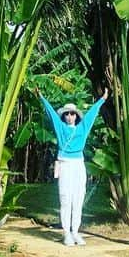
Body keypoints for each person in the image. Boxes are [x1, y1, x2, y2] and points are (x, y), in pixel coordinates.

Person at [36, 84, 108, 246]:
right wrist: (41, 97)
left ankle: (75, 231)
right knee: (65, 198)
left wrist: (102, 100)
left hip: (78, 165)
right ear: (64, 116)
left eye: (72, 114)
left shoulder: (82, 128)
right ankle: (66, 233)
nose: (70, 116)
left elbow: (91, 115)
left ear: (76, 116)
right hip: (65, 164)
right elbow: (51, 114)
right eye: (67, 114)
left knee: (78, 197)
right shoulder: (60, 128)